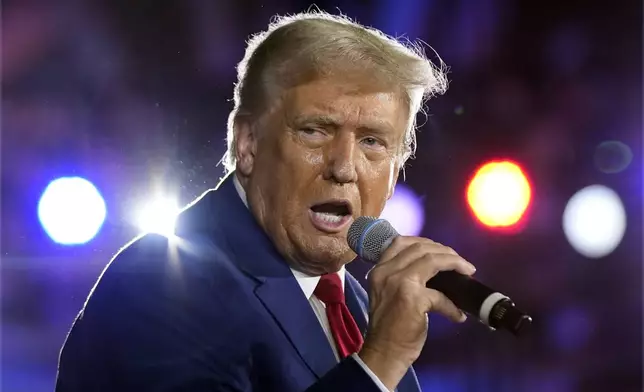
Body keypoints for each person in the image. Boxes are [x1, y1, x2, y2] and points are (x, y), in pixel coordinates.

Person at [56, 10, 477, 392]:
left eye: (372, 142)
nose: (344, 167)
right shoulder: (163, 282)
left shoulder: (357, 305)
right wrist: (380, 361)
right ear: (248, 143)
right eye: (316, 130)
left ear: (397, 169)